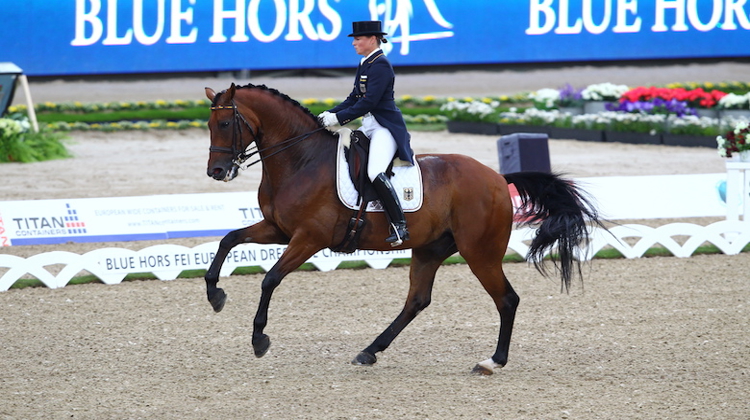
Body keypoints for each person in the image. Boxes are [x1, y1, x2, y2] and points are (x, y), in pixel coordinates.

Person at [318, 20, 414, 247]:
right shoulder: (365, 63)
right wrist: (328, 114)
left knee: (374, 171)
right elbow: (354, 98)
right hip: (369, 126)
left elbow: (369, 102)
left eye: (358, 39)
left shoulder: (381, 65)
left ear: (372, 39)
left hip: (384, 127)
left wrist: (339, 119)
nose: (354, 43)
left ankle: (399, 225)